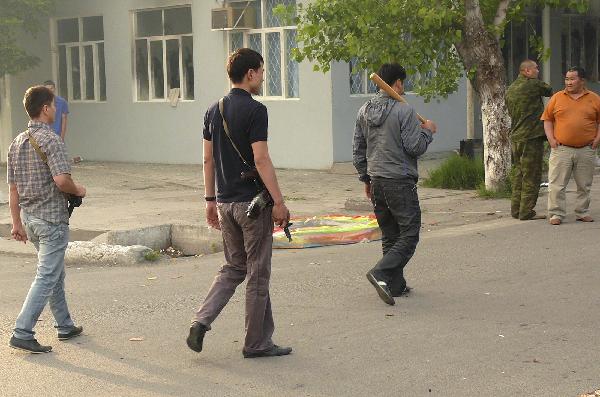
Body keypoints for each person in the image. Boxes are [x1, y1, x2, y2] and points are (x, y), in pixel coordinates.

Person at [187, 48, 292, 358]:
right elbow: (261, 158)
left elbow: (207, 158)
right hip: (252, 205)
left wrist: (209, 200)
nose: (262, 76)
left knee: (235, 267)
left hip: (224, 203)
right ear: (250, 74)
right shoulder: (256, 111)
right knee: (258, 272)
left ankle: (201, 321)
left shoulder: (212, 110)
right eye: (261, 71)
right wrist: (279, 202)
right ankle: (256, 343)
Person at [7, 86, 86, 353]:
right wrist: (79, 190)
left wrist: (16, 223)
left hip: (30, 220)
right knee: (46, 275)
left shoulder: (17, 142)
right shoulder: (52, 140)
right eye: (53, 105)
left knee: (54, 273)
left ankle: (64, 325)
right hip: (50, 220)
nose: (56, 109)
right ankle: (22, 330)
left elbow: (13, 188)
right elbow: (62, 180)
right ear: (45, 108)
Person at [353, 63, 437, 306]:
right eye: (403, 82)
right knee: (409, 234)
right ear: (398, 83)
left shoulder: (364, 110)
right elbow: (415, 147)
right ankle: (380, 273)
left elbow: (358, 150)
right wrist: (428, 131)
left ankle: (395, 285)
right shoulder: (404, 110)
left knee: (391, 235)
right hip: (399, 181)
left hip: (378, 181)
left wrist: (366, 178)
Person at [542, 66, 600, 225]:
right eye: (567, 79)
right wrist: (551, 139)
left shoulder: (594, 98)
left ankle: (582, 212)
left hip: (586, 149)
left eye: (572, 79)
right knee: (557, 184)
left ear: (582, 81)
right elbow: (547, 120)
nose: (568, 82)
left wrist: (597, 139)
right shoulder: (557, 98)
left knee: (584, 184)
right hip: (561, 149)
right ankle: (556, 214)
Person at [506, 60, 553, 220]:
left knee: (519, 174)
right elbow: (549, 90)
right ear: (526, 71)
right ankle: (526, 211)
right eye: (535, 69)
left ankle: (516, 209)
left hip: (516, 137)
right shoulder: (533, 85)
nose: (538, 71)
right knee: (531, 175)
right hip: (531, 136)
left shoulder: (510, 89)